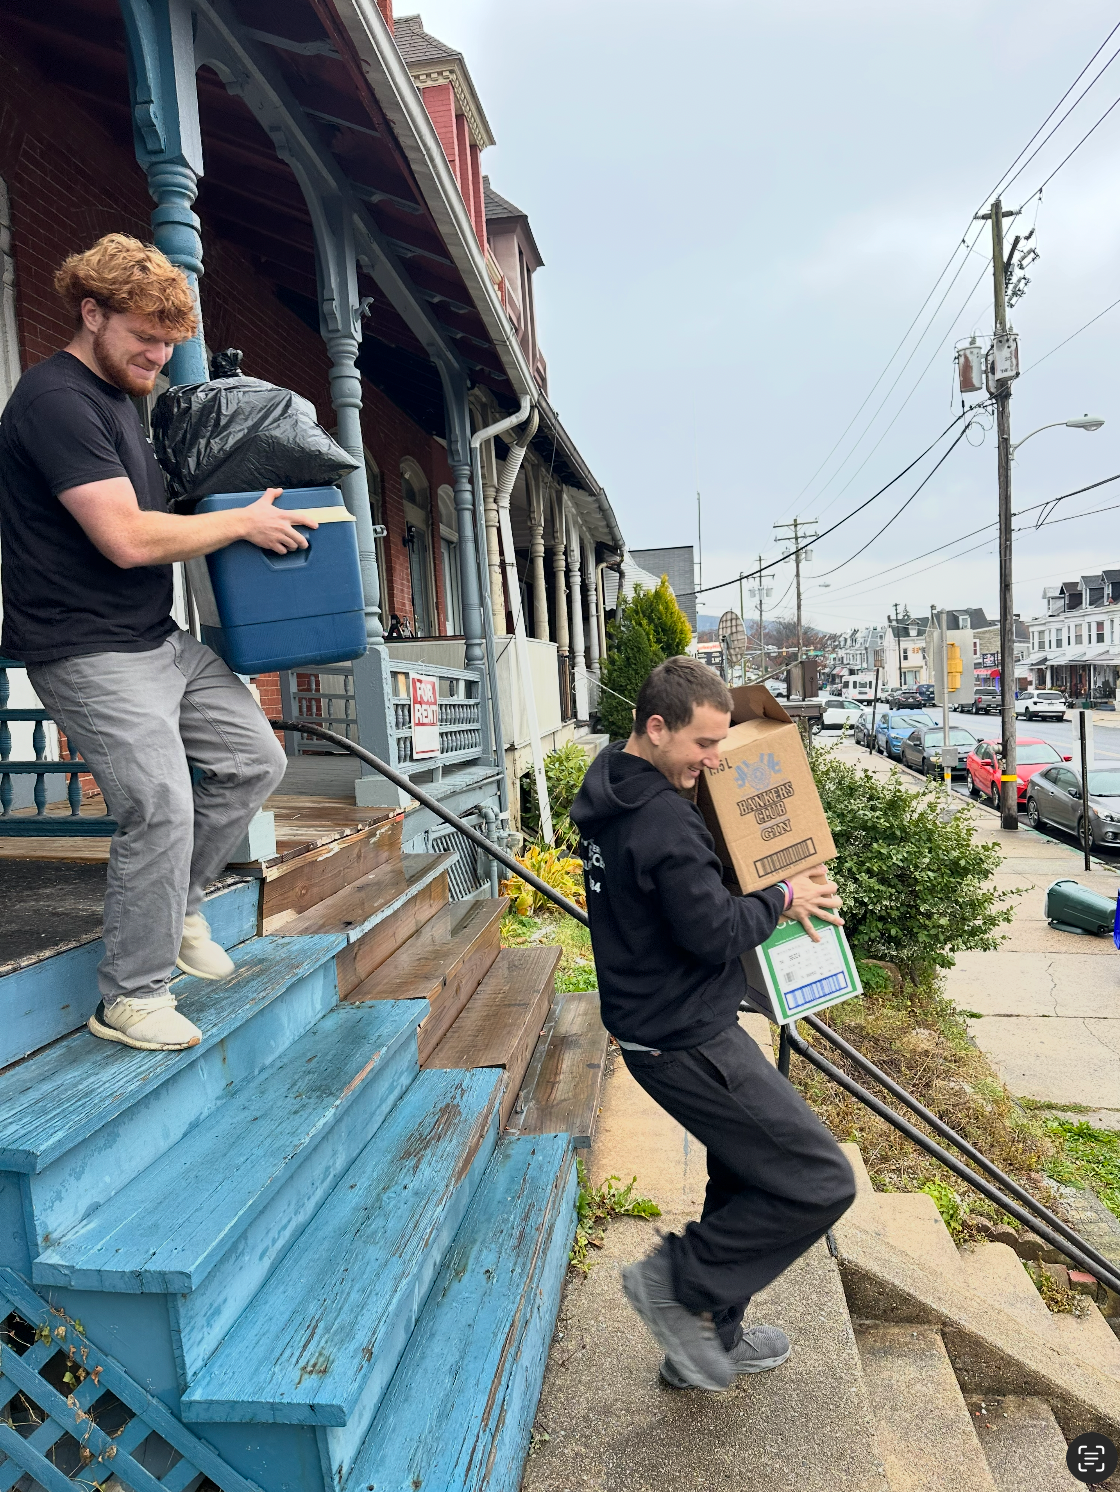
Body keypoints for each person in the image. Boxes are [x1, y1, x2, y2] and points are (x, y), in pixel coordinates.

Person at [0, 234, 316, 1052]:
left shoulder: (120, 402)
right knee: (160, 805)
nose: (159, 354)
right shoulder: (56, 401)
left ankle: (176, 905)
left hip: (155, 639)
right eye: (144, 336)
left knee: (255, 759)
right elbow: (127, 540)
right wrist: (240, 523)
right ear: (91, 311)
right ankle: (130, 996)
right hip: (86, 648)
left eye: (169, 341)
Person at [570, 656, 856, 1391]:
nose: (714, 760)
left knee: (747, 1170)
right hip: (684, 1036)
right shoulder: (663, 819)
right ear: (656, 727)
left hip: (657, 1019)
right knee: (820, 1180)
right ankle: (675, 1284)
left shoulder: (614, 782)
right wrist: (784, 892)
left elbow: (679, 907)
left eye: (720, 743)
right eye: (703, 744)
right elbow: (716, 931)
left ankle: (709, 1341)